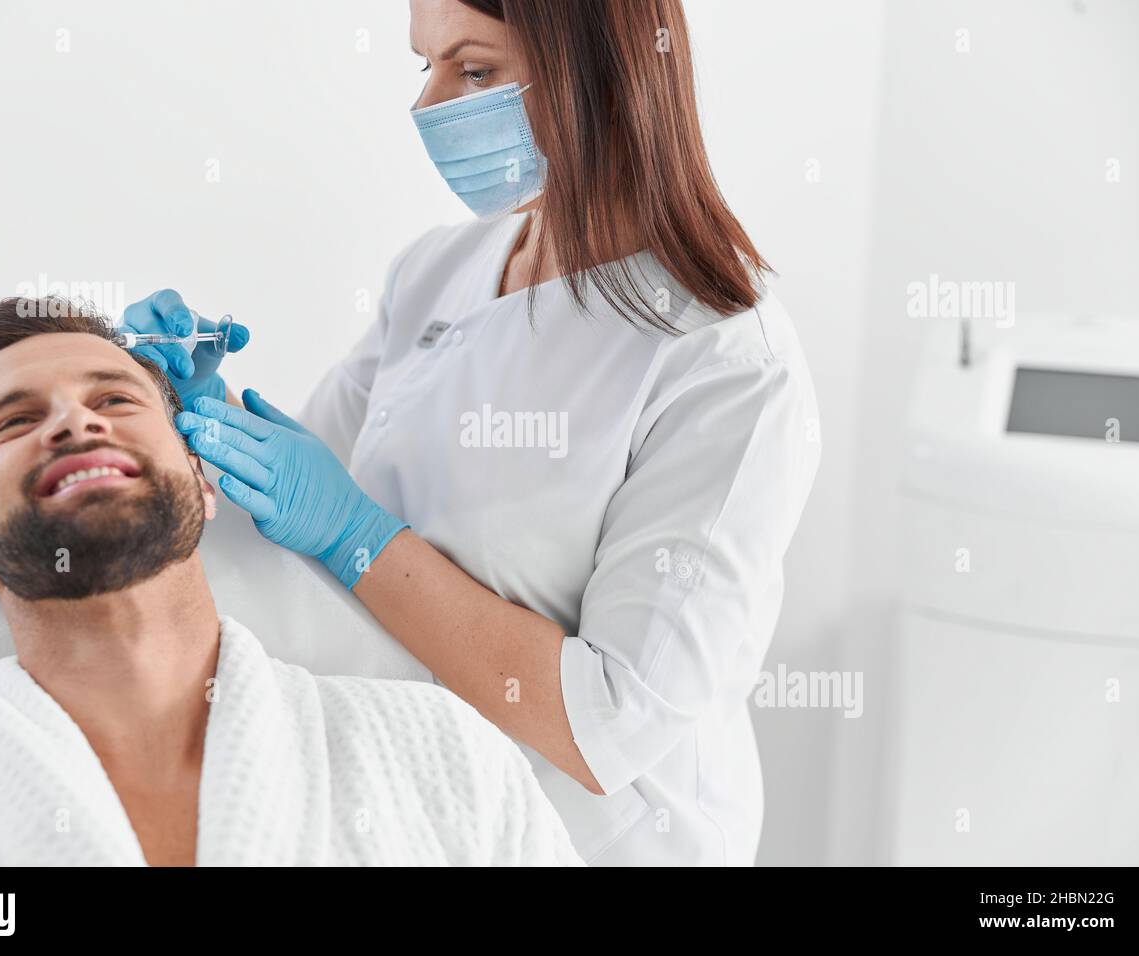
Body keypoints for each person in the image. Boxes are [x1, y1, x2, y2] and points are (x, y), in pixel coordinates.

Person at [123, 0, 821, 865]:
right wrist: (192, 410)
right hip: (424, 804)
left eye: (476, 70)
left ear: (600, 70)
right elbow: (304, 496)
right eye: (427, 67)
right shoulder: (437, 272)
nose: (428, 106)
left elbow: (610, 721)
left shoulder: (723, 360)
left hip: (599, 840)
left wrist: (358, 537)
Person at [0, 297, 584, 867]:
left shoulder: (443, 760)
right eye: (16, 420)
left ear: (204, 479)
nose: (74, 423)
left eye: (115, 401)